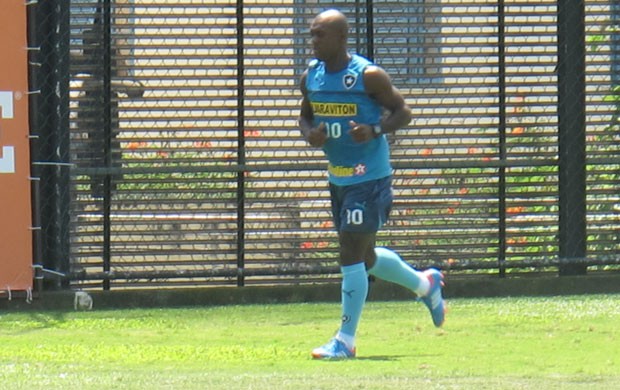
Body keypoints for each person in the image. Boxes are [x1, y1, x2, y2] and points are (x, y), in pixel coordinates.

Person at [298, 9, 446, 360]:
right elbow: (305, 116)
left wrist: (375, 130)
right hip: (339, 178)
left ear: (340, 38)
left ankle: (345, 341)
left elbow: (403, 112)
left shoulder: (367, 75)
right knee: (363, 257)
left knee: (349, 253)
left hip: (370, 178)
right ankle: (426, 285)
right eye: (312, 34)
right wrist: (311, 136)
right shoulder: (313, 76)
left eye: (320, 34)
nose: (313, 41)